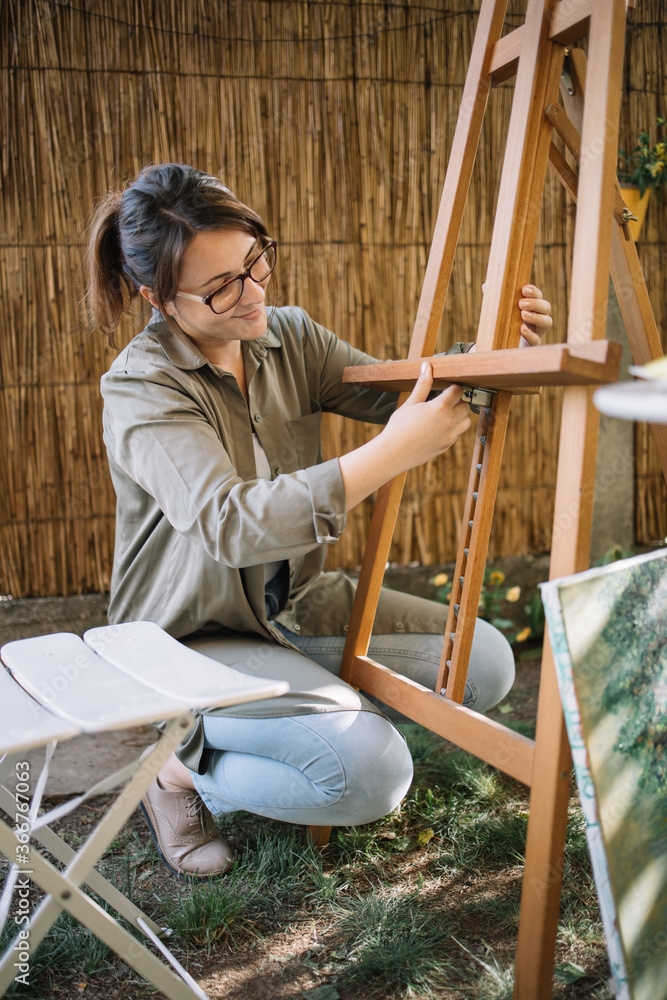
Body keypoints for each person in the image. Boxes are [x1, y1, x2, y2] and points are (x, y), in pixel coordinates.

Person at [85, 163, 552, 880]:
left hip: (293, 604)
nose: (253, 294)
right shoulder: (141, 386)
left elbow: (404, 394)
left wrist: (498, 356)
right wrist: (389, 456)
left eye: (254, 261)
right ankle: (175, 769)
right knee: (369, 777)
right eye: (220, 288)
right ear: (156, 298)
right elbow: (228, 522)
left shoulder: (287, 337)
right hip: (189, 634)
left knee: (481, 663)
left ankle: (299, 719)